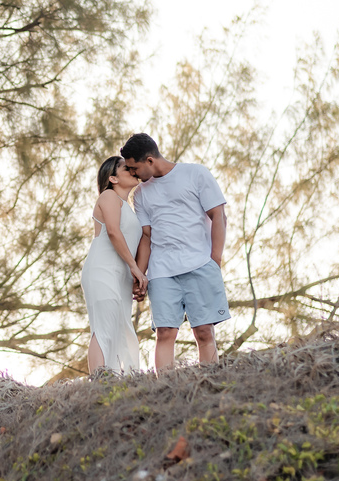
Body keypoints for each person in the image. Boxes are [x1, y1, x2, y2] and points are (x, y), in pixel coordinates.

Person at [120, 133, 229, 372]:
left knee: (203, 331)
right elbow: (146, 237)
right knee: (165, 332)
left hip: (200, 265)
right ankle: (165, 390)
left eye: (134, 167)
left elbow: (218, 215)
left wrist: (215, 260)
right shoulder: (140, 194)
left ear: (149, 160)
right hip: (162, 272)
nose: (133, 174)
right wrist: (140, 273)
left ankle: (210, 384)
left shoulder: (196, 174)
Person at [80, 155, 148, 373]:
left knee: (122, 330)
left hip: (122, 277)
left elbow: (139, 242)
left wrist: (137, 277)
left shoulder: (131, 210)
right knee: (104, 329)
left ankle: (120, 382)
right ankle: (98, 385)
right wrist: (135, 268)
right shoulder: (108, 196)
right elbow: (113, 231)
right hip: (102, 271)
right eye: (125, 169)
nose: (132, 171)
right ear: (113, 178)